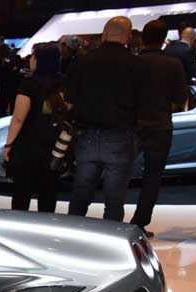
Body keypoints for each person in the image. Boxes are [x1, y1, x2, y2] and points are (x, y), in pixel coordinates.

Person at [66, 16, 144, 221]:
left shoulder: (83, 61)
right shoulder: (136, 65)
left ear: (104, 34)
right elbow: (143, 102)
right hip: (120, 136)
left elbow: (70, 100)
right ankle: (111, 238)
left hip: (87, 135)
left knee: (80, 195)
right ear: (128, 37)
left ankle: (71, 234)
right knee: (114, 199)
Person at [131, 20, 188, 236]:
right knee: (152, 177)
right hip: (160, 125)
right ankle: (139, 223)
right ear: (164, 39)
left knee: (119, 173)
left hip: (131, 124)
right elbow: (180, 98)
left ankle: (113, 219)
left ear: (142, 38)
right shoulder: (173, 64)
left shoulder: (132, 63)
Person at [2, 42, 66, 213]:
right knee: (48, 195)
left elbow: (18, 119)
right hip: (55, 147)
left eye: (32, 56)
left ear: (40, 60)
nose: (30, 59)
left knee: (22, 195)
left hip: (28, 147)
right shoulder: (63, 84)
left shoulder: (28, 84)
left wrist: (8, 145)